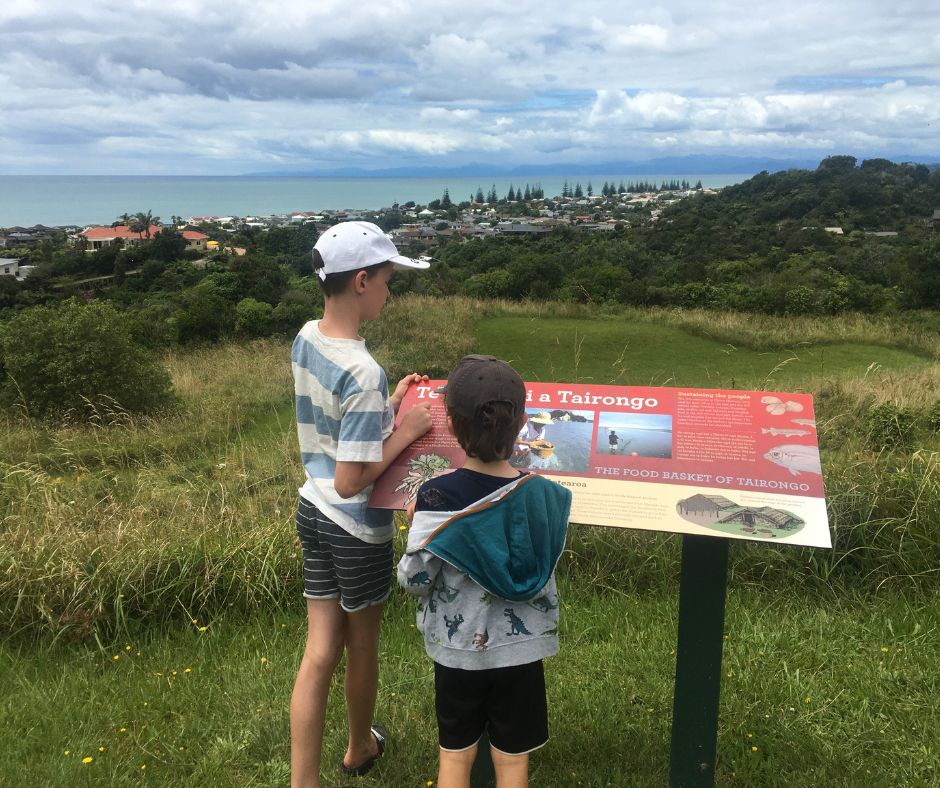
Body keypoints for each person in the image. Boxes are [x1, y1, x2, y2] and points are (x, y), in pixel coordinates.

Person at [290, 221, 434, 788]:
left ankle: (304, 781)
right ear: (362, 281)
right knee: (363, 647)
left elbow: (335, 423)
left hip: (311, 509)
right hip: (353, 528)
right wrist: (407, 429)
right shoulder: (364, 372)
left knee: (319, 651)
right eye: (388, 281)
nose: (390, 293)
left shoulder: (306, 336)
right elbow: (353, 481)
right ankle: (357, 746)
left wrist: (389, 404)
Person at [398, 355, 572, 788]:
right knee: (513, 765)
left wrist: (415, 528)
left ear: (453, 426)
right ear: (522, 423)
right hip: (522, 655)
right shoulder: (544, 496)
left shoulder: (438, 496)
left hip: (458, 655)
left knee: (455, 761)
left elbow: (415, 581)